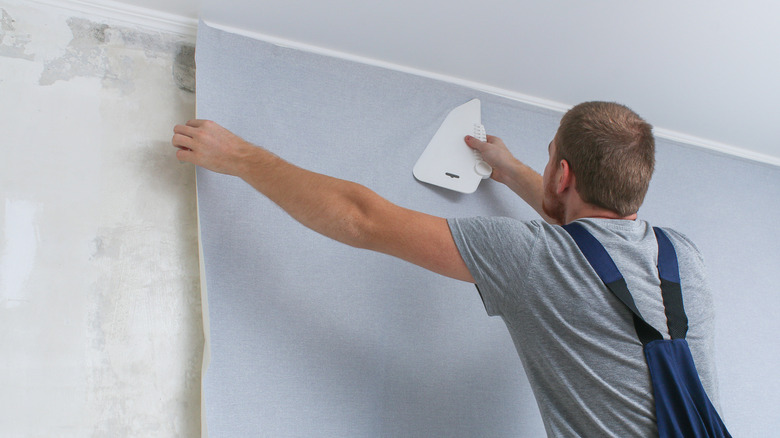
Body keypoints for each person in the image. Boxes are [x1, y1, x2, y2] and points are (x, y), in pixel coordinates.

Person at [172, 101, 720, 437]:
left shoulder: (535, 258)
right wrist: (509, 172)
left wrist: (239, 157)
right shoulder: (682, 256)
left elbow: (361, 218)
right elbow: (590, 236)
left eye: (550, 156)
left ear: (564, 175)